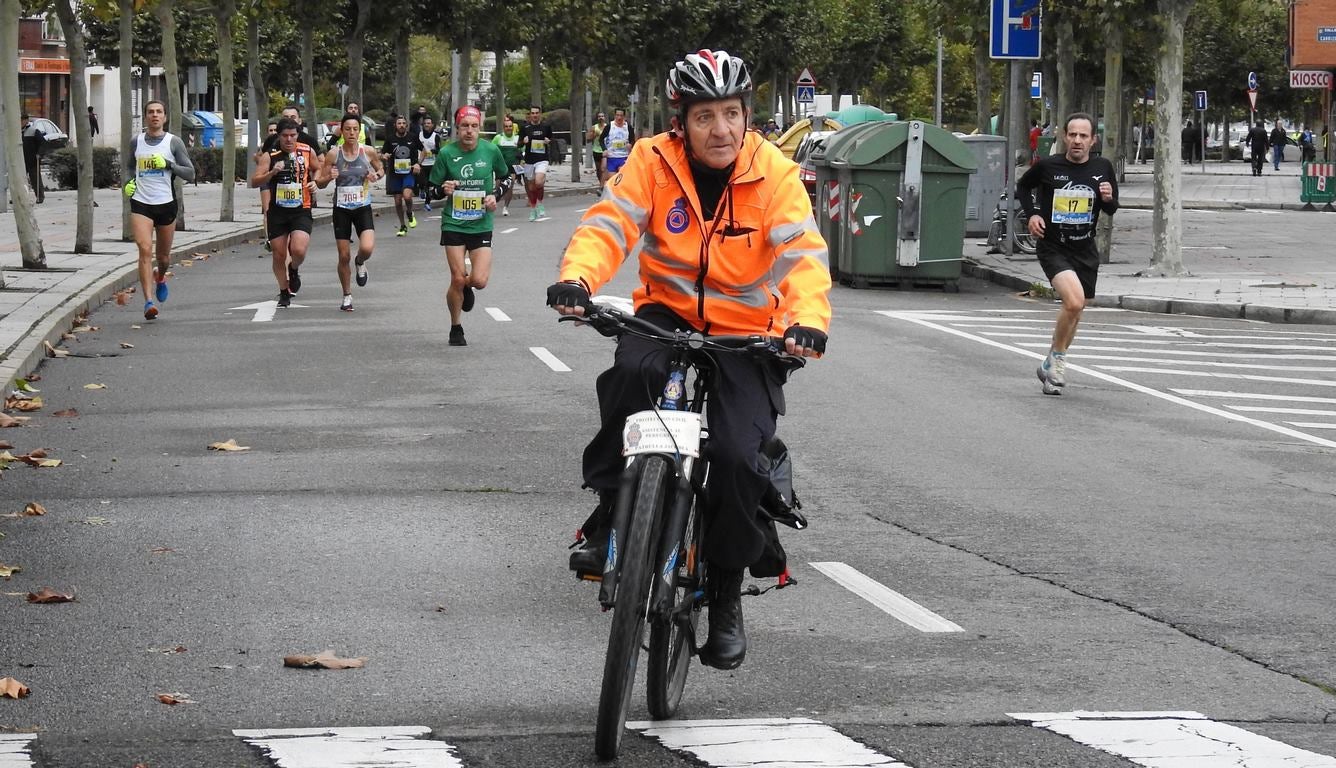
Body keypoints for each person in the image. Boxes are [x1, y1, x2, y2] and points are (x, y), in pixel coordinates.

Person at [547, 49, 831, 671]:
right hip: (668, 314)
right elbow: (608, 225)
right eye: (705, 116)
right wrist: (579, 281)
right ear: (683, 122)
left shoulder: (775, 173)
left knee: (734, 456)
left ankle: (727, 593)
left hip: (750, 334)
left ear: (746, 116)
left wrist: (805, 322)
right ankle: (610, 514)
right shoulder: (652, 160)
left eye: (732, 114)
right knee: (629, 375)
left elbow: (802, 257)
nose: (721, 129)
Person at [1016, 112, 1118, 397]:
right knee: (1072, 302)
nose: (1077, 140)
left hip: (1084, 248)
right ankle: (1058, 361)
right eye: (1072, 135)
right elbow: (1023, 186)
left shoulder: (1102, 167)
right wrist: (1032, 215)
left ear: (1092, 140)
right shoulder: (1049, 166)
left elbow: (1110, 208)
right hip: (1053, 246)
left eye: (1083, 136)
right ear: (1064, 137)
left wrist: (1108, 198)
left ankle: (1050, 362)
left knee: (1077, 308)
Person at [428, 105, 513, 347]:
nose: (469, 131)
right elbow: (429, 190)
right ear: (457, 129)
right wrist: (441, 189)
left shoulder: (491, 150)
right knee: (457, 277)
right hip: (454, 222)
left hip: (481, 223)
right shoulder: (446, 154)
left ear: (479, 129)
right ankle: (456, 327)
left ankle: (468, 287)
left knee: (479, 280)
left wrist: (494, 195)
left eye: (474, 126)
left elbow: (507, 176)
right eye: (465, 126)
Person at [122, 100, 196, 320]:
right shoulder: (136, 142)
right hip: (141, 203)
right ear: (145, 117)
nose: (155, 115)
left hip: (165, 204)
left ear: (165, 117)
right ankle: (148, 302)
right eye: (151, 112)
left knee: (163, 258)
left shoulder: (174, 143)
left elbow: (190, 173)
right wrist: (128, 183)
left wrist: (168, 165)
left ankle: (160, 276)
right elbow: (127, 165)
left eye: (159, 112)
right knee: (144, 249)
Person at [317, 113, 384, 312]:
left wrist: (375, 176)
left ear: (360, 131)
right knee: (343, 255)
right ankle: (347, 295)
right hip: (342, 209)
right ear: (342, 131)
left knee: (367, 248)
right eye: (348, 129)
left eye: (355, 129)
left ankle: (360, 262)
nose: (352, 133)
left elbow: (381, 170)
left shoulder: (368, 152)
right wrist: (329, 176)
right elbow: (319, 183)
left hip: (362, 207)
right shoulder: (333, 154)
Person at [252, 117, 319, 308]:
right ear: (279, 136)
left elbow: (318, 169)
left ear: (298, 135)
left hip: (301, 208)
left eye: (293, 135)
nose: (289, 139)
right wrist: (271, 173)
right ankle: (283, 291)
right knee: (278, 254)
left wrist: (316, 181)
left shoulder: (307, 151)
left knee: (298, 249)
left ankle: (294, 268)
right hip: (278, 212)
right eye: (285, 136)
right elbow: (255, 181)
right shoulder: (270, 156)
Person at [380, 115, 422, 236]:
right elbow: (383, 153)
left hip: (408, 172)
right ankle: (403, 226)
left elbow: (424, 150)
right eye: (399, 123)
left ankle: (409, 212)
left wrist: (418, 164)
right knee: (398, 202)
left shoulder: (413, 137)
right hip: (395, 173)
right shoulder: (390, 139)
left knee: (407, 196)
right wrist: (384, 156)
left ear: (406, 126)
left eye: (404, 123)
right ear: (395, 126)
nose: (402, 125)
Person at [519, 106, 555, 221]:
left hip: (542, 159)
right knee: (531, 187)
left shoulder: (546, 126)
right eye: (532, 113)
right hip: (529, 160)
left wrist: (548, 141)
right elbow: (518, 144)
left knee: (538, 182)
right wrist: (523, 142)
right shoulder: (525, 127)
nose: (534, 115)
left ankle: (540, 204)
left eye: (536, 113)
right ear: (530, 115)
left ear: (540, 114)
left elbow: (552, 139)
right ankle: (534, 208)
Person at [491, 113, 523, 216]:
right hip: (501, 167)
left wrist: (522, 161)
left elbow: (522, 151)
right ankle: (494, 202)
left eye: (510, 126)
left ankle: (505, 207)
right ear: (503, 128)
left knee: (510, 185)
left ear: (512, 127)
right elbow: (491, 150)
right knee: (498, 187)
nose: (508, 128)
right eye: (506, 126)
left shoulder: (517, 139)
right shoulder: (498, 138)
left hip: (512, 167)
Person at [597, 108, 636, 184]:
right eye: (617, 115)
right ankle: (603, 188)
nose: (619, 118)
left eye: (621, 115)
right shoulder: (609, 126)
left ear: (624, 116)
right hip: (612, 157)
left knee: (622, 180)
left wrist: (630, 144)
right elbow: (601, 139)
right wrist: (604, 149)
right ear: (615, 116)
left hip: (623, 157)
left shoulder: (628, 127)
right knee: (613, 181)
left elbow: (633, 140)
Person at [417, 114, 442, 210]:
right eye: (425, 123)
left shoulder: (436, 136)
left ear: (432, 125)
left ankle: (427, 203)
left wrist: (432, 151)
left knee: (430, 184)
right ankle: (421, 189)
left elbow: (439, 150)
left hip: (432, 164)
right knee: (423, 183)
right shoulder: (419, 135)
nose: (427, 125)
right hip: (421, 163)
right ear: (423, 124)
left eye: (429, 123)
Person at [20, 114, 45, 204]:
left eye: (22, 120)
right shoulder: (17, 131)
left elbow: (42, 143)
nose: (20, 122)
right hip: (21, 160)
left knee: (35, 179)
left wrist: (39, 153)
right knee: (20, 180)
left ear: (26, 120)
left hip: (33, 159)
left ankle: (40, 197)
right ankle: (20, 197)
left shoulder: (33, 131)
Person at [587, 111, 607, 178]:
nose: (601, 118)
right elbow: (588, 140)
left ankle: (604, 184)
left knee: (604, 169)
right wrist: (594, 135)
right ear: (597, 118)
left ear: (604, 118)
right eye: (599, 116)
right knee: (599, 170)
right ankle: (600, 183)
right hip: (596, 151)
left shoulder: (608, 127)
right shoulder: (594, 128)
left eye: (602, 116)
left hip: (605, 151)